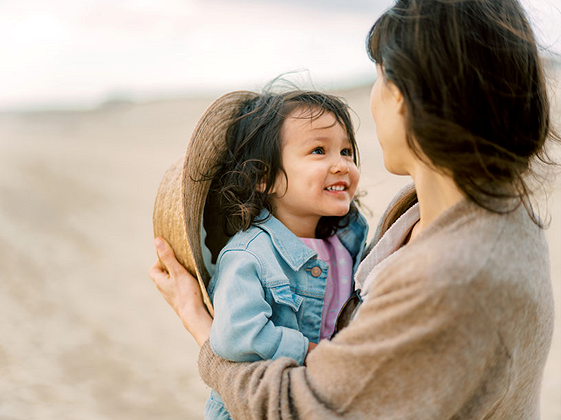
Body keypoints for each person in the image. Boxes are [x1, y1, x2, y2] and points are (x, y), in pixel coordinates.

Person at [150, 0, 557, 418]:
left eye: (378, 77)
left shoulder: (453, 277)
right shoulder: (468, 214)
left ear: (402, 97)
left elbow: (302, 410)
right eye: (318, 150)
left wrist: (200, 325)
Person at [157, 89, 368, 419]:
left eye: (346, 150)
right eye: (319, 150)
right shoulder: (249, 254)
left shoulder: (346, 243)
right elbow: (236, 334)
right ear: (265, 178)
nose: (341, 164)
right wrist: (308, 351)